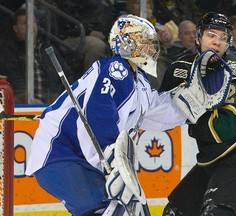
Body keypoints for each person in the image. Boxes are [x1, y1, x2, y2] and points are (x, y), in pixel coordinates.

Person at [25, 14, 189, 216]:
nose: (151, 48)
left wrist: (189, 104)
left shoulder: (141, 84)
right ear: (127, 43)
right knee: (106, 211)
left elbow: (159, 113)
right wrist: (112, 153)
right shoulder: (115, 68)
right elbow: (99, 111)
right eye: (145, 42)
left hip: (89, 162)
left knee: (131, 211)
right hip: (62, 154)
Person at [160, 12, 236, 216]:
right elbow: (163, 118)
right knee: (175, 213)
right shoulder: (179, 68)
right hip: (211, 159)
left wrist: (191, 106)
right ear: (198, 37)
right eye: (211, 35)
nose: (217, 42)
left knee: (216, 212)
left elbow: (224, 130)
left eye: (223, 38)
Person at [0, 8, 73, 104]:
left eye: (33, 22)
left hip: (52, 104)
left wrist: (62, 100)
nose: (30, 26)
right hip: (24, 106)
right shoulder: (9, 51)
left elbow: (66, 76)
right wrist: (29, 100)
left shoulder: (48, 48)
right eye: (25, 23)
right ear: (15, 28)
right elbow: (15, 83)